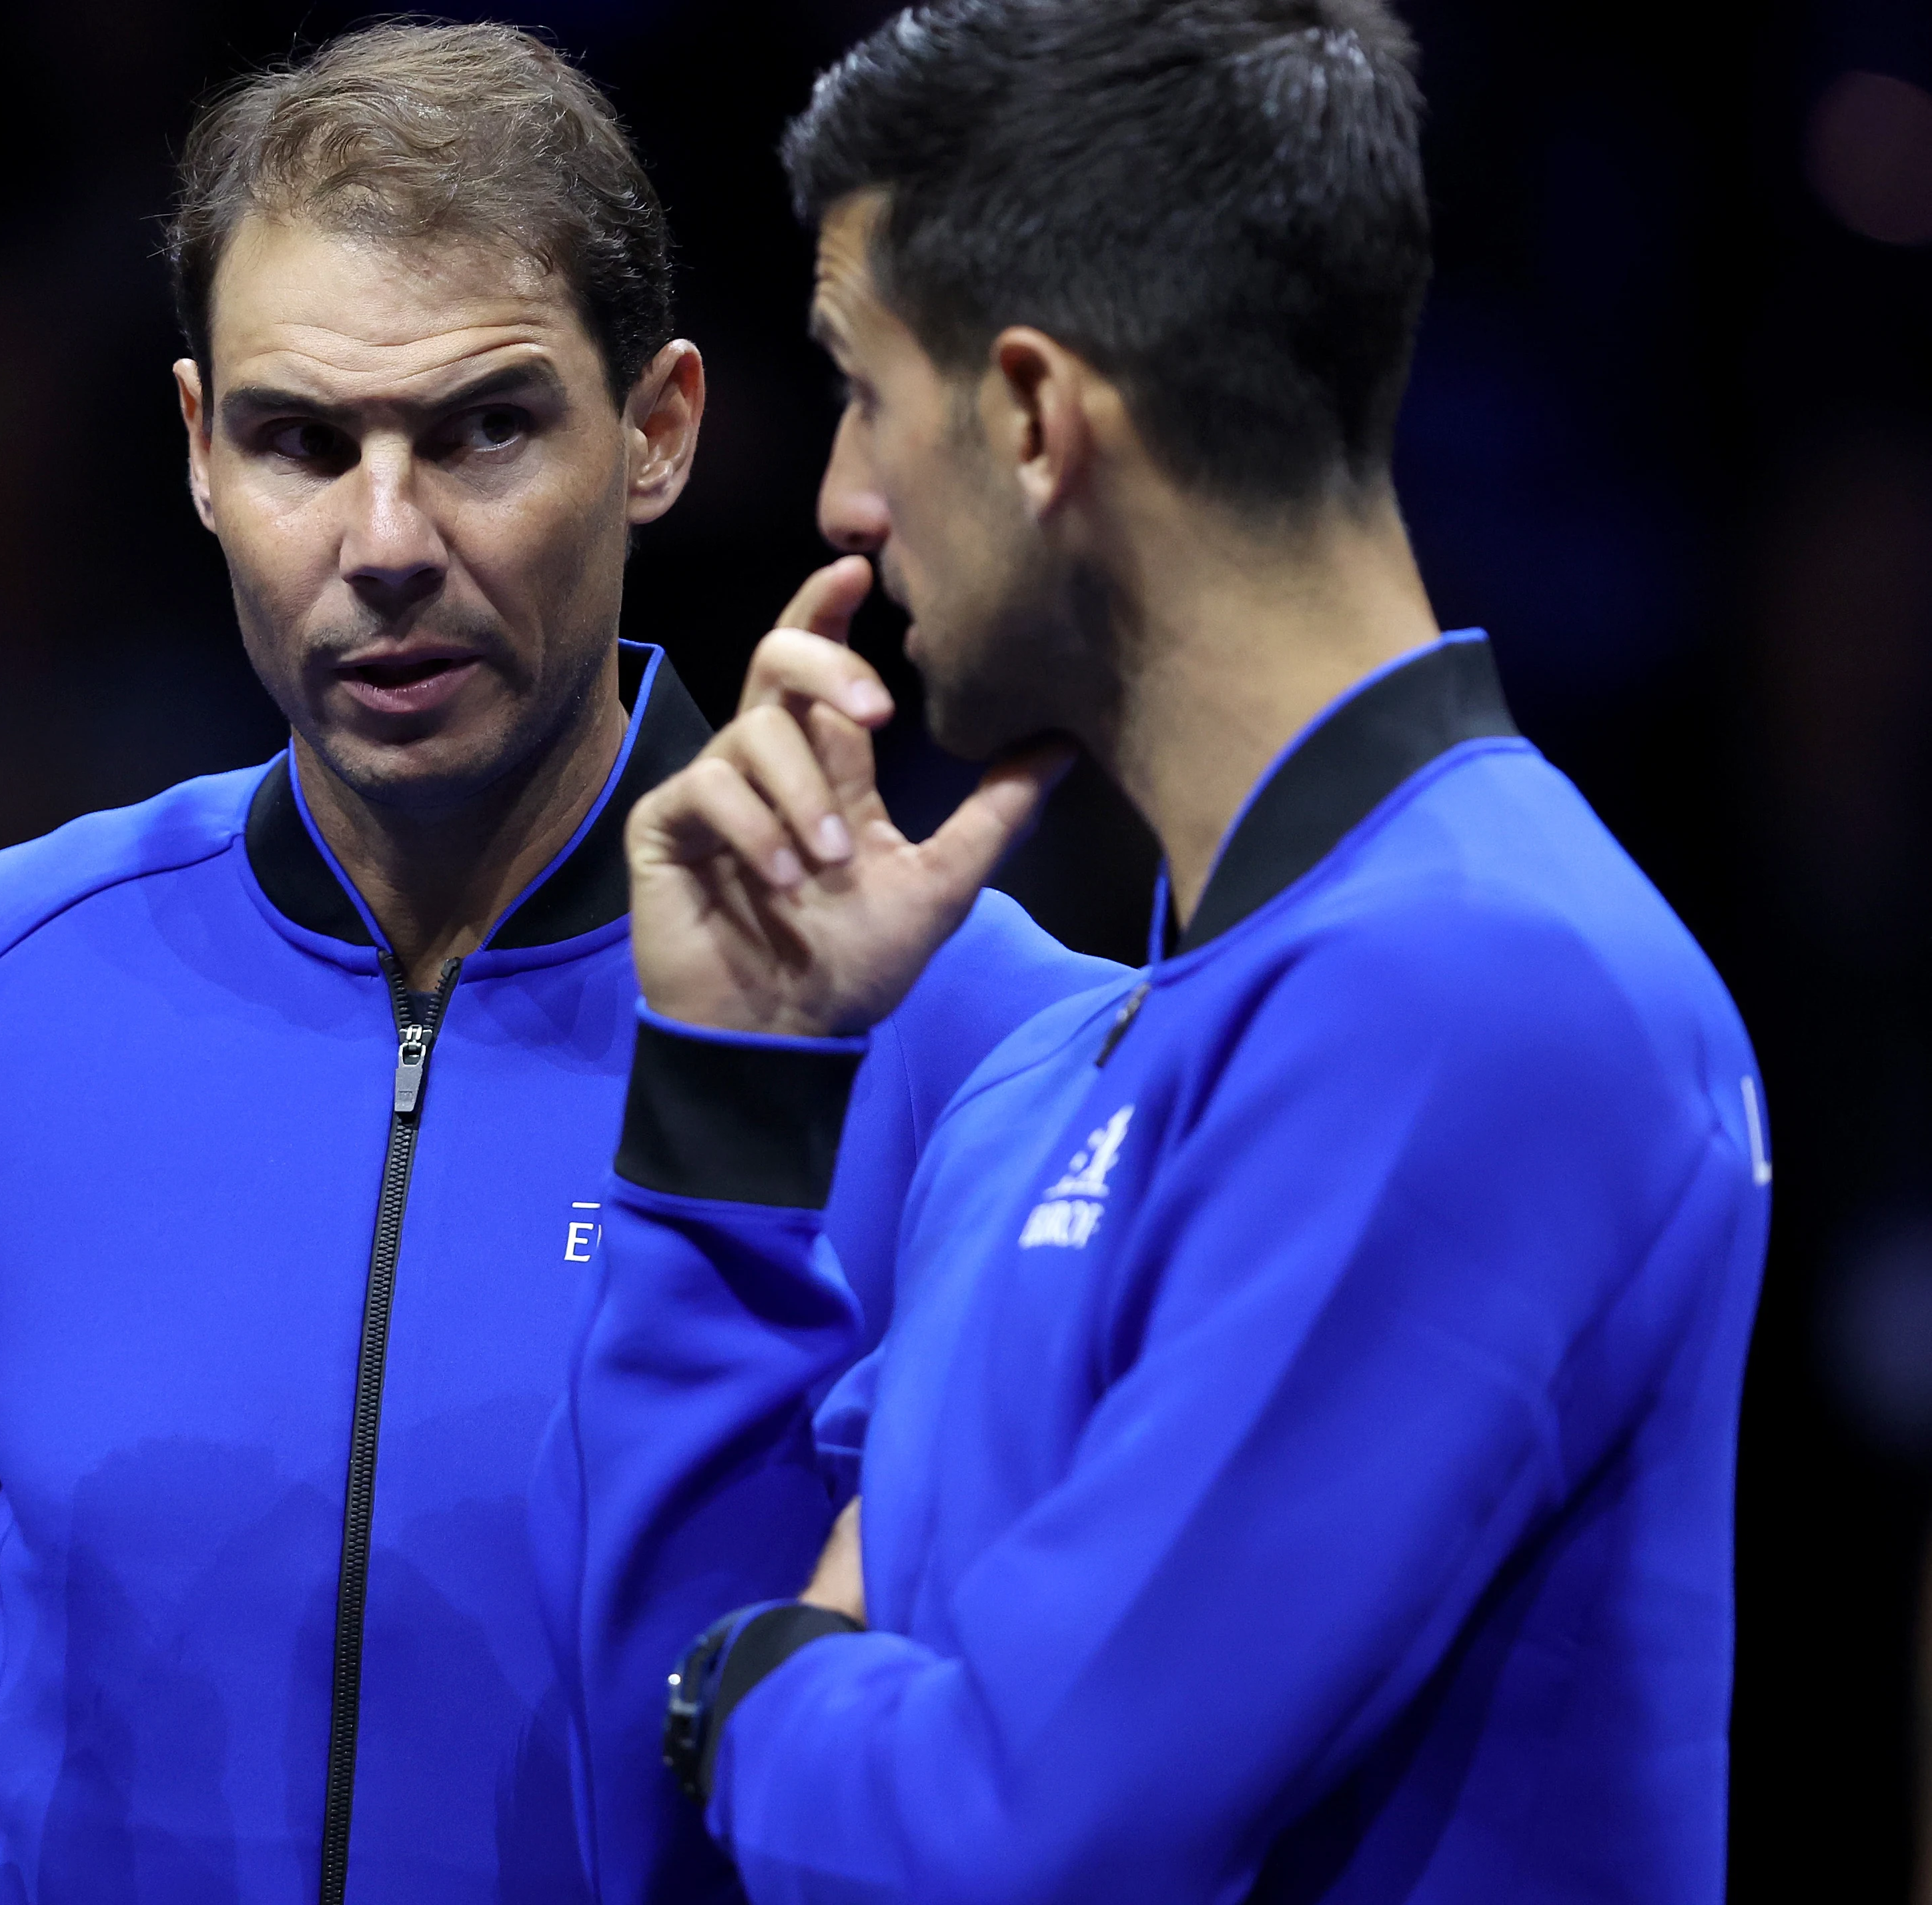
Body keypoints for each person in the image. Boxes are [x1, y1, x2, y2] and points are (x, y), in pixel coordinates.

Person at [0, 21, 1107, 1904]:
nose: (384, 543)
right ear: (196, 452)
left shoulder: (991, 1050)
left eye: (483, 430)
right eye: (299, 442)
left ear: (660, 431)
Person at [564, 1, 1771, 1900]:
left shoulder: (1485, 992)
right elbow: (656, 1813)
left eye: (860, 393)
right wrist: (731, 1090)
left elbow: (1022, 1839)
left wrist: (743, 1696)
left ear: (1036, 417)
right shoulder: (1048, 1078)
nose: (838, 506)